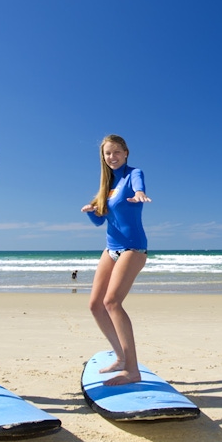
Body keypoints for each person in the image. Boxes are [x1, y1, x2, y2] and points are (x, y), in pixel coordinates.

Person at [81, 135, 151, 386]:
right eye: (108, 153)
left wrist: (140, 192)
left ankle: (132, 370)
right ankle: (120, 357)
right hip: (111, 249)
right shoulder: (106, 185)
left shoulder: (133, 175)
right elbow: (101, 220)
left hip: (133, 247)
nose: (112, 157)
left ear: (126, 152)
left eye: (116, 152)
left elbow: (139, 183)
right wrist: (91, 212)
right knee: (95, 305)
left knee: (112, 302)